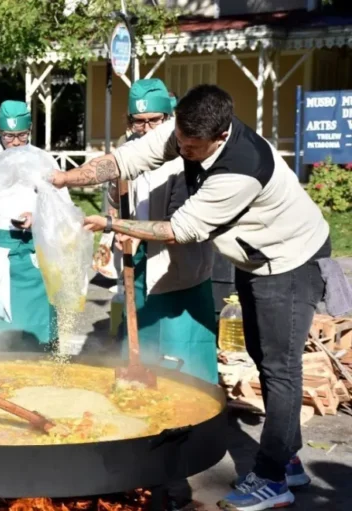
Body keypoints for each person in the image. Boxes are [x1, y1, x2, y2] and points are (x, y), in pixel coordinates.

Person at [52, 84, 329, 511]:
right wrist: (66, 178)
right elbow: (127, 159)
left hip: (288, 261)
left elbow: (180, 230)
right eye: (179, 139)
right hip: (253, 259)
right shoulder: (189, 128)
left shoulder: (240, 170)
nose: (182, 149)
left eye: (192, 146)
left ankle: (275, 479)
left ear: (220, 135)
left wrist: (111, 223)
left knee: (280, 368)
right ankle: (286, 457)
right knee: (262, 356)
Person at [112, 79, 217, 384]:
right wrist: (117, 226)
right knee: (140, 332)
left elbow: (180, 222)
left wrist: (135, 232)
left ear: (169, 116)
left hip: (180, 260)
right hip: (138, 255)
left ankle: (194, 404)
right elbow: (113, 202)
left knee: (180, 342)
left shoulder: (187, 155)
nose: (145, 129)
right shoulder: (126, 153)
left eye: (153, 121)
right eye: (138, 122)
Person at [0, 100, 71, 351]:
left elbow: (60, 206)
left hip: (34, 253)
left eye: (22, 135)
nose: (16, 142)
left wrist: (37, 216)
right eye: (9, 136)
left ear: (30, 129)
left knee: (38, 324)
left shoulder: (44, 160)